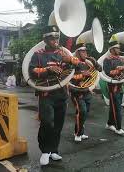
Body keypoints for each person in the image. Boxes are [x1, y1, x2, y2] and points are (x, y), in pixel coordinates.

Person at [29, 24, 83, 166]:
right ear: (46, 39)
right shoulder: (38, 54)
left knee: (59, 123)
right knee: (47, 122)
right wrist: (48, 69)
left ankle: (54, 150)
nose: (55, 41)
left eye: (57, 38)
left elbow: (76, 68)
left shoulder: (63, 53)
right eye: (52, 38)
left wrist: (72, 61)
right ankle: (45, 151)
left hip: (61, 93)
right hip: (46, 94)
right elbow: (31, 72)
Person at [69, 40, 102, 142]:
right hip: (77, 92)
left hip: (87, 91)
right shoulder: (72, 63)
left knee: (85, 112)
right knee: (82, 111)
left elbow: (99, 70)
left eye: (86, 51)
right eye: (83, 52)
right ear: (78, 52)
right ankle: (77, 134)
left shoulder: (88, 62)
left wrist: (95, 63)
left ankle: (80, 131)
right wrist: (82, 75)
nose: (86, 54)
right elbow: (69, 78)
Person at [103, 34, 124, 135]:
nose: (119, 50)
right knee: (117, 107)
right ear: (112, 49)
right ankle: (118, 128)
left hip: (120, 85)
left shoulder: (120, 59)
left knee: (114, 106)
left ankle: (109, 124)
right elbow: (108, 73)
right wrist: (121, 68)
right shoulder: (107, 60)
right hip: (113, 86)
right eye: (117, 48)